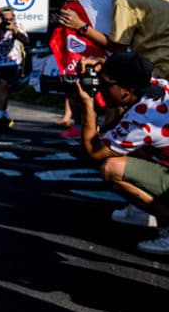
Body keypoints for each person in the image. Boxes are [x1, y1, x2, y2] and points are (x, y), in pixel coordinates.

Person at [70, 52, 169, 254]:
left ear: (125, 90)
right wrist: (103, 63)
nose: (99, 89)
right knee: (127, 149)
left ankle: (167, 224)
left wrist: (88, 107)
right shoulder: (160, 86)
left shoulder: (141, 118)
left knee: (111, 168)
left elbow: (92, 152)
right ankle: (142, 213)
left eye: (104, 85)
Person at [0, 6, 29, 132]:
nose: (7, 21)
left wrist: (15, 31)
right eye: (4, 18)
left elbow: (26, 41)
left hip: (9, 62)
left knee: (3, 87)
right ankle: (5, 115)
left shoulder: (17, 26)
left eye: (10, 18)